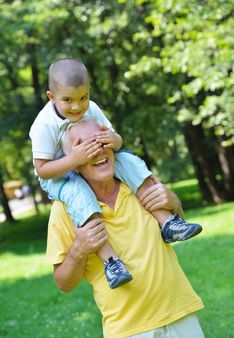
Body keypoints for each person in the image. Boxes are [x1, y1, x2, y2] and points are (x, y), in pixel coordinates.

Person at [30, 58, 202, 289]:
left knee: (130, 160)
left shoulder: (91, 109)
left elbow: (117, 141)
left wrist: (113, 140)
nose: (77, 107)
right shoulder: (43, 125)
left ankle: (168, 222)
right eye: (67, 100)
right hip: (58, 174)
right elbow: (42, 169)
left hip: (85, 158)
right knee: (79, 194)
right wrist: (74, 160)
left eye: (83, 97)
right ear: (51, 97)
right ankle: (112, 262)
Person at [46, 120, 208, 338]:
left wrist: (175, 203)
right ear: (71, 164)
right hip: (129, 334)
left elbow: (173, 229)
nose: (97, 149)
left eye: (101, 140)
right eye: (84, 145)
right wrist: (78, 250)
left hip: (182, 314)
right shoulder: (64, 210)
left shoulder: (140, 183)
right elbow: (64, 283)